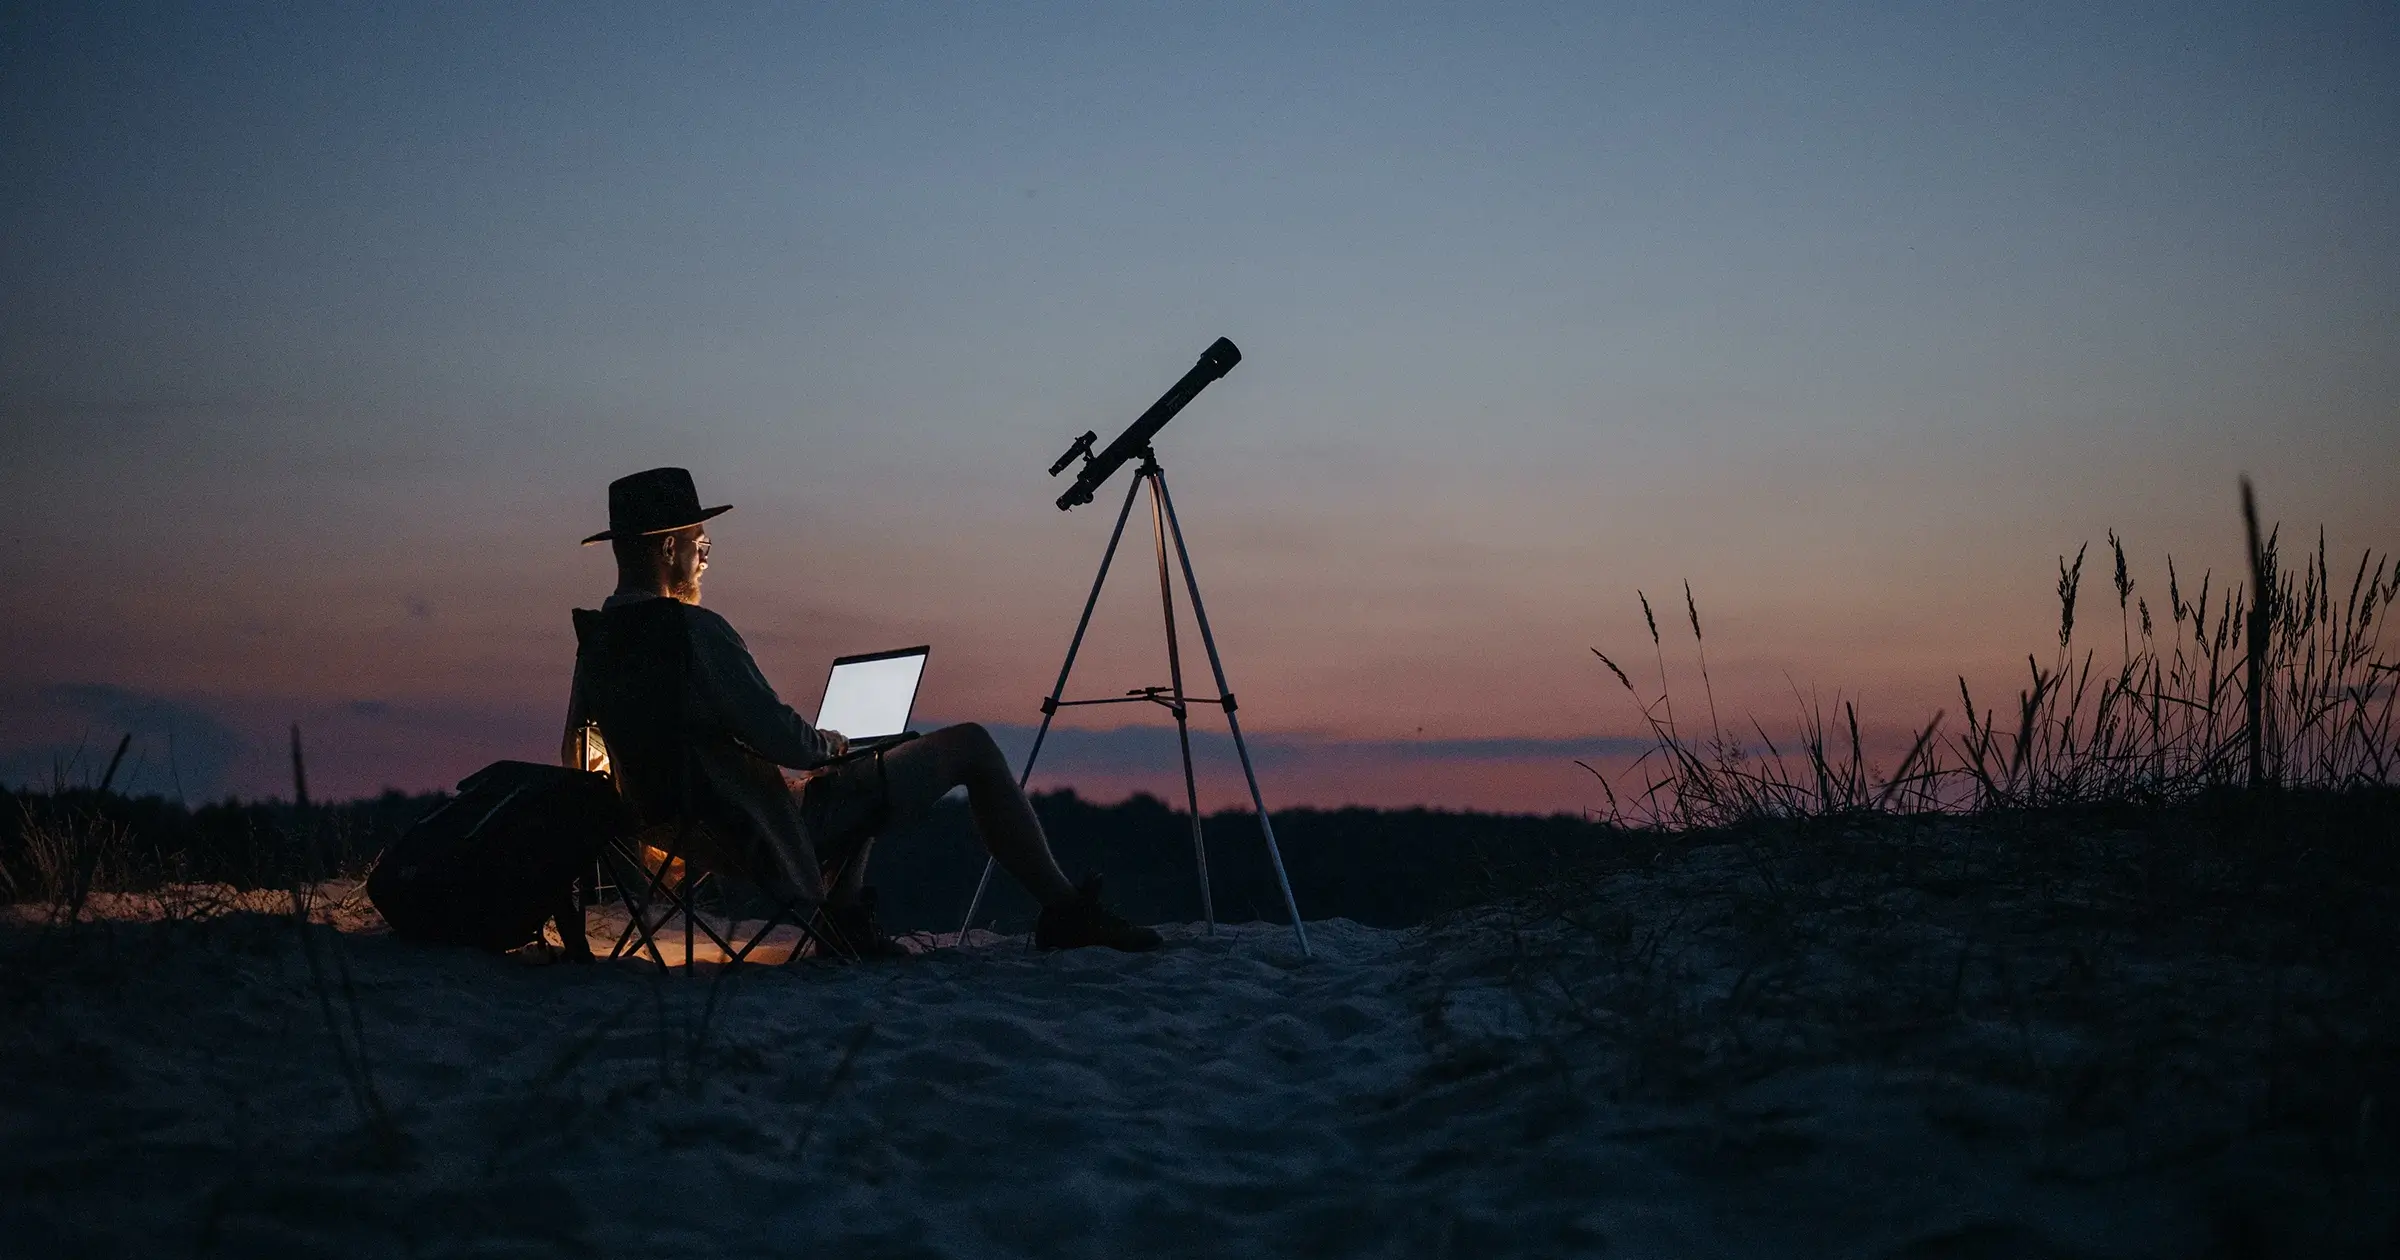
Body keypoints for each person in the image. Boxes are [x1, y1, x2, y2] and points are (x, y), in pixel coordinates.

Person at [560, 467, 1160, 955]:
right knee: (970, 745)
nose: (705, 560)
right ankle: (1064, 910)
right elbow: (786, 741)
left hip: (680, 835)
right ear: (669, 546)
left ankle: (845, 922)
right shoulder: (693, 633)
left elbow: (578, 756)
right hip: (752, 830)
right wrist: (834, 746)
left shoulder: (601, 644)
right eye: (700, 546)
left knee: (858, 771)